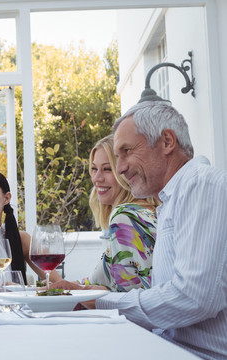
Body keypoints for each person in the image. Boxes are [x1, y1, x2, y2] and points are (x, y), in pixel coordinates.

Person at [76, 101, 227, 360]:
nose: (121, 167)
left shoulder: (202, 184)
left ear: (167, 141)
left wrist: (100, 302)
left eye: (126, 151)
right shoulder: (171, 202)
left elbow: (194, 298)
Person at [51, 135, 159, 291]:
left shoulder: (126, 217)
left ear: (126, 171)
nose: (97, 178)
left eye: (107, 169)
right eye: (94, 169)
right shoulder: (144, 213)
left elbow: (125, 299)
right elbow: (99, 284)